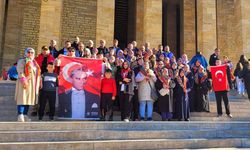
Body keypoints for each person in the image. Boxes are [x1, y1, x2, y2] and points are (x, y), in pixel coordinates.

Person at [15, 47, 41, 122]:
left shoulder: (34, 63)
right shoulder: (22, 61)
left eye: (32, 52)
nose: (30, 54)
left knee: (28, 99)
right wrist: (24, 80)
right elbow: (20, 71)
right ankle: (20, 114)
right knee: (22, 98)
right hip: (24, 82)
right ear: (26, 53)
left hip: (32, 84)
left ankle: (25, 115)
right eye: (28, 52)